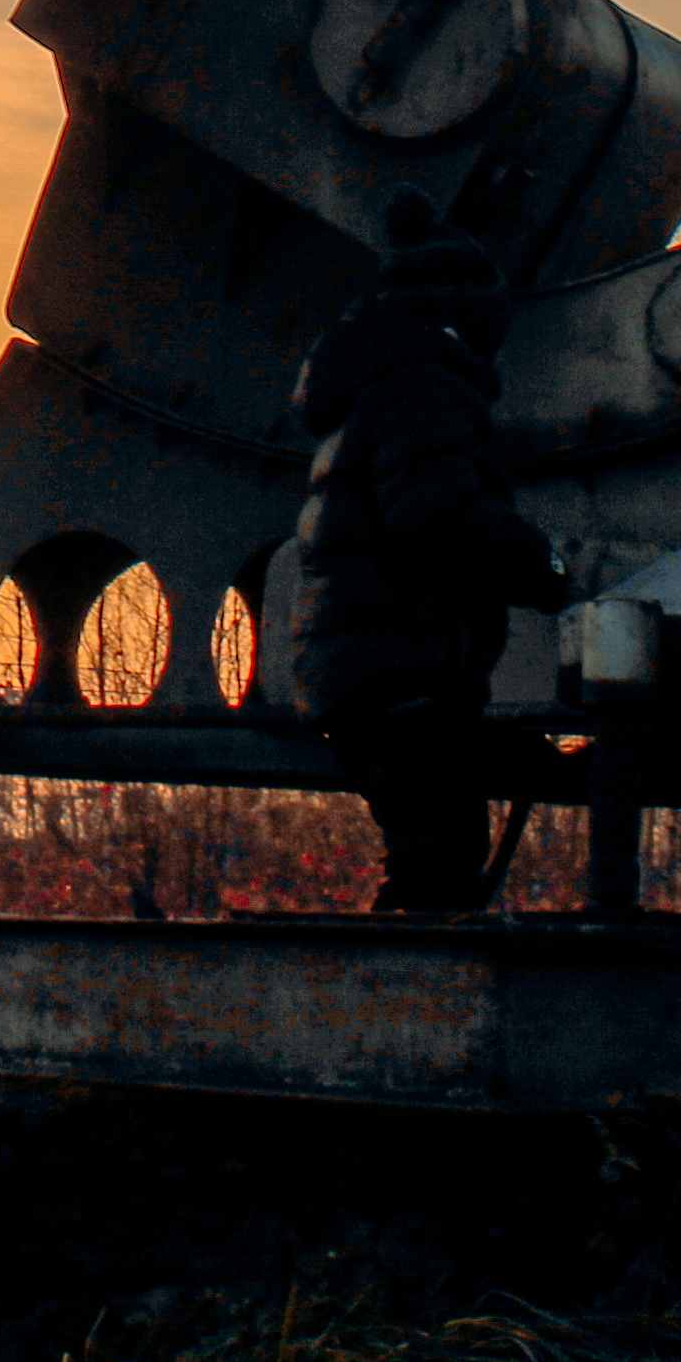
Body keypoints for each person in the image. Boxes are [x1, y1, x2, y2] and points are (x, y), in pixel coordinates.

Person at [289, 194, 563, 913]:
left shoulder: (377, 388)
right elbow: (440, 518)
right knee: (438, 865)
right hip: (401, 671)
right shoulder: (425, 391)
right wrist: (542, 568)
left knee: (429, 859)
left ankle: (397, 993)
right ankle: (407, 1002)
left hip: (368, 668)